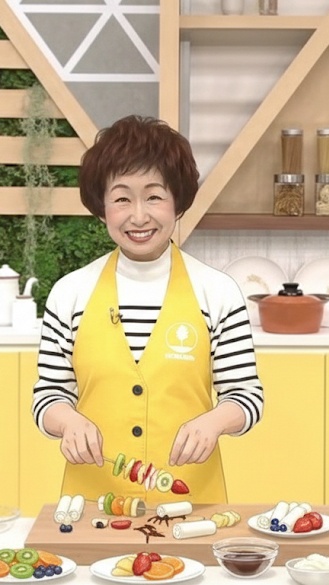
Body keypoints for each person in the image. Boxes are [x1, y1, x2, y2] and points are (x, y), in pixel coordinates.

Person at [31, 115, 264, 504]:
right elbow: (48, 396)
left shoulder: (218, 292)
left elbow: (246, 395)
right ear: (101, 207)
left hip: (191, 504)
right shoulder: (69, 293)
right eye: (122, 198)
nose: (139, 216)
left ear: (178, 202)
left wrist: (214, 422)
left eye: (154, 196)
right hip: (92, 505)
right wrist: (67, 421)